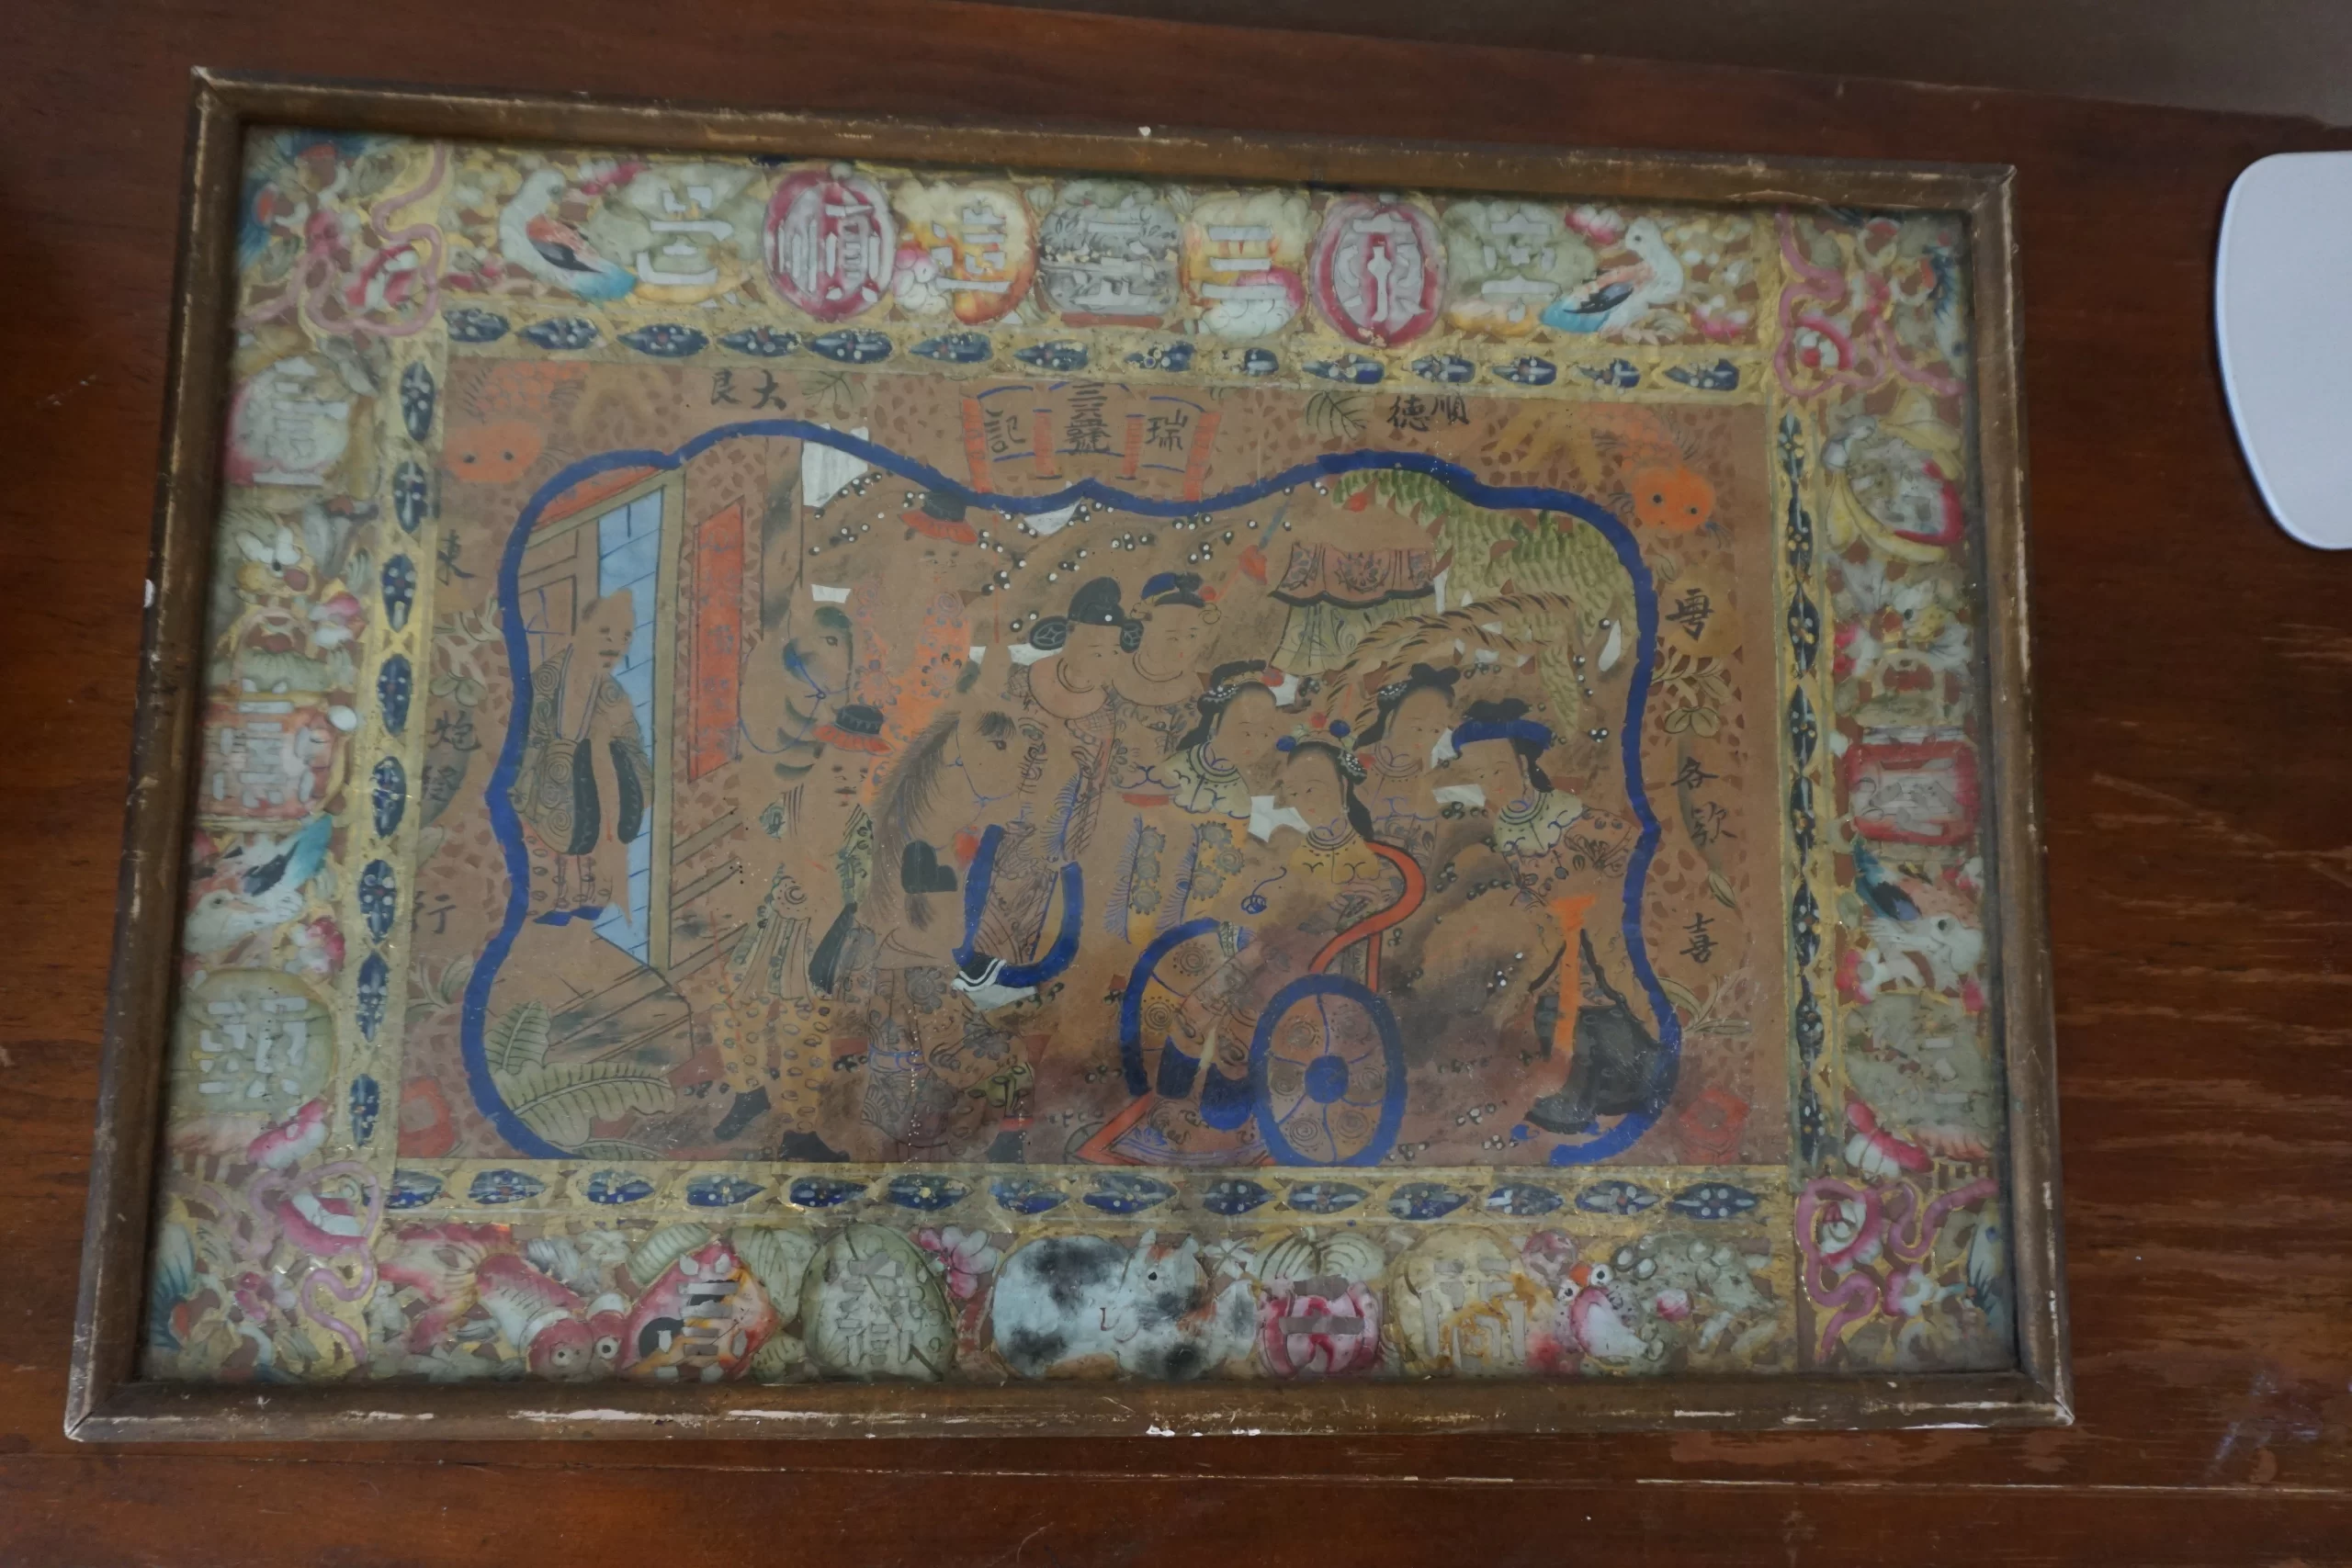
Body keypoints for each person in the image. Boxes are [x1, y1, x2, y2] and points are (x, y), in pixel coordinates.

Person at [509, 589, 653, 919]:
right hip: (545, 803)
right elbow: (527, 744)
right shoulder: (546, 681)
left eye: (625, 637)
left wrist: (608, 747)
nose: (614, 644)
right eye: (605, 632)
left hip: (598, 808)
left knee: (591, 892)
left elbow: (635, 752)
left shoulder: (614, 695)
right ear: (581, 630)